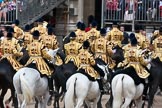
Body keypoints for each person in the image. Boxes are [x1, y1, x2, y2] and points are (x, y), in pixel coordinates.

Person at [118, 33, 150, 99]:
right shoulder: (139, 52)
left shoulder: (128, 51)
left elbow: (126, 61)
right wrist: (148, 62)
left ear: (131, 43)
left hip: (129, 66)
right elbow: (143, 62)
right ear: (136, 44)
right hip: (138, 68)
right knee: (146, 79)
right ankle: (144, 94)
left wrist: (121, 64)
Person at [25, 30, 54, 95]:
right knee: (49, 74)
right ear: (38, 37)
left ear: (33, 37)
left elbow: (28, 53)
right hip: (39, 61)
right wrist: (50, 58)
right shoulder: (41, 45)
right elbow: (44, 55)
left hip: (31, 60)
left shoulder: (29, 45)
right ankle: (51, 89)